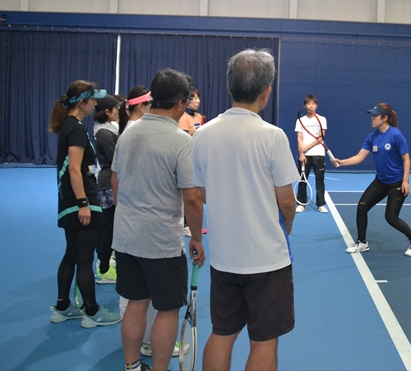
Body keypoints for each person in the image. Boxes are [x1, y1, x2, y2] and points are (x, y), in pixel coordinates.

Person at [192, 49, 299, 371]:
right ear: (266, 92)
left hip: (224, 257)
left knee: (222, 333)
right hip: (267, 259)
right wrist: (284, 227)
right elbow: (287, 202)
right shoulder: (273, 136)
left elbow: (201, 193)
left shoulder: (202, 134)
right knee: (264, 340)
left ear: (229, 87)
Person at [112, 69, 205, 371]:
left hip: (126, 238)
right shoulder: (181, 141)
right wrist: (196, 238)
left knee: (136, 303)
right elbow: (192, 197)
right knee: (167, 310)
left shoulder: (128, 132)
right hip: (161, 243)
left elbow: (115, 181)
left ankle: (132, 367)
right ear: (180, 104)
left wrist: (130, 214)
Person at [48, 80, 121, 328]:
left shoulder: (70, 126)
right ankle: (91, 311)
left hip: (70, 201)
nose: (95, 105)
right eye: (93, 100)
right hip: (80, 201)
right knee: (84, 258)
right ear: (82, 103)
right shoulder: (76, 129)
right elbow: (75, 170)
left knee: (71, 254)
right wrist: (83, 204)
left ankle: (62, 307)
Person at [333, 103, 411, 257]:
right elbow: (359, 157)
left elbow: (406, 159)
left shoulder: (396, 135)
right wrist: (342, 162)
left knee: (391, 218)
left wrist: (405, 181)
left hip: (396, 182)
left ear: (384, 118)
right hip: (381, 181)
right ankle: (362, 243)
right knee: (362, 207)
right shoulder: (372, 137)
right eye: (372, 115)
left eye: (375, 115)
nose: (372, 118)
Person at [93, 94, 124, 284]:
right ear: (107, 111)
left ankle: (106, 263)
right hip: (108, 184)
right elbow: (116, 161)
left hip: (111, 181)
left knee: (112, 226)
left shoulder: (108, 129)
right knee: (109, 227)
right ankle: (103, 268)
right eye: (116, 108)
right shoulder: (104, 133)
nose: (118, 111)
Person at [294, 94, 328, 213]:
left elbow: (320, 137)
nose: (311, 106)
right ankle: (301, 204)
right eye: (308, 104)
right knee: (302, 179)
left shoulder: (322, 119)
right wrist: (301, 152)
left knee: (320, 180)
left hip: (318, 154)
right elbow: (299, 137)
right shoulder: (300, 120)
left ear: (316, 106)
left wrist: (306, 147)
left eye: (313, 103)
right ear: (305, 106)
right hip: (304, 155)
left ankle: (321, 204)